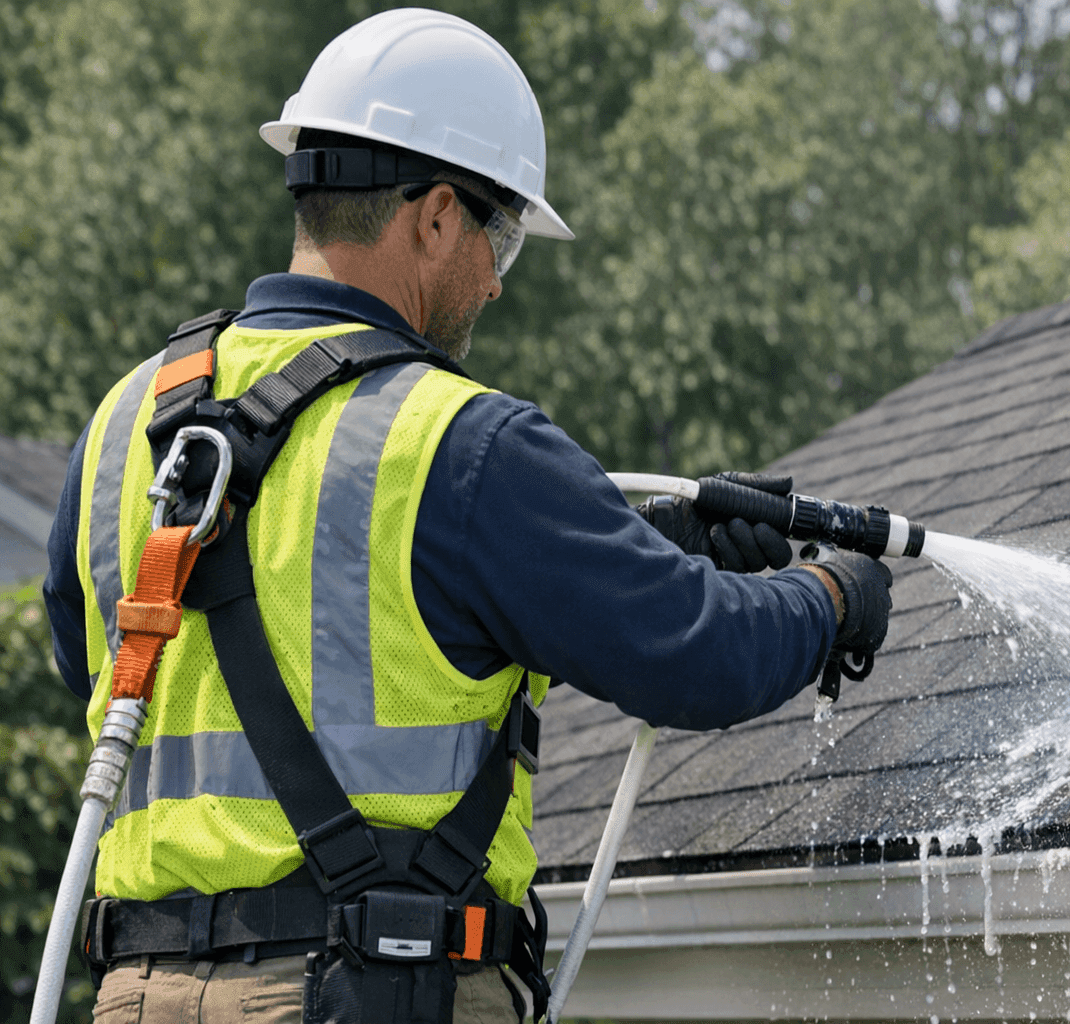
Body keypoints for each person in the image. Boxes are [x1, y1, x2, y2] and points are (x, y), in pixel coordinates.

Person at [41, 9, 893, 1024]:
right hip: (369, 991)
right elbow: (699, 655)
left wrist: (646, 555)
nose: (493, 279)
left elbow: (126, 667)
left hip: (138, 994)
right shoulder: (459, 440)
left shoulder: (127, 424)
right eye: (501, 241)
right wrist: (831, 594)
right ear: (437, 216)